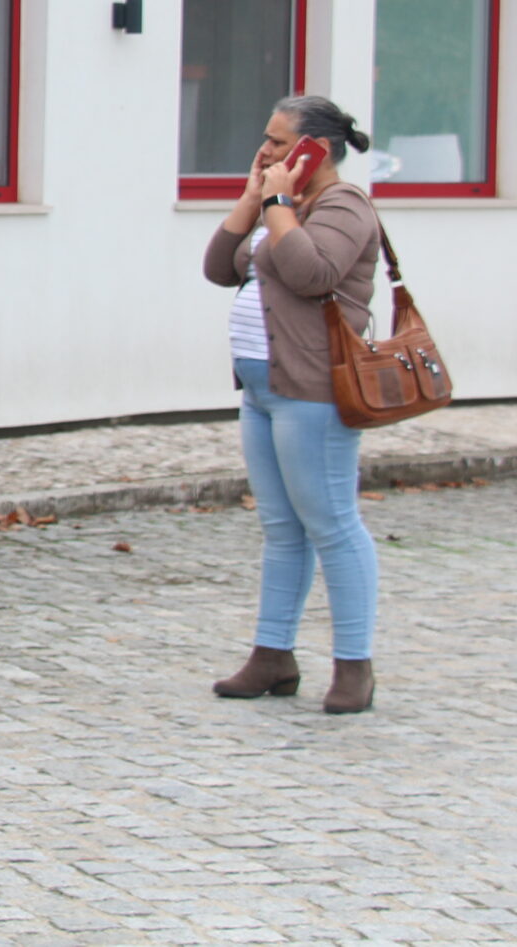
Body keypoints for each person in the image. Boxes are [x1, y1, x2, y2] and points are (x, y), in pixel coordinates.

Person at [203, 95, 385, 714]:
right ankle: (272, 655)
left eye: (279, 142)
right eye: (267, 138)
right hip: (261, 390)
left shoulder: (343, 205)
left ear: (317, 150)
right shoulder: (284, 204)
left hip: (311, 390)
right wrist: (254, 199)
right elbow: (218, 268)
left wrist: (277, 205)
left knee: (332, 522)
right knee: (282, 528)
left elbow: (312, 274)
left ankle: (354, 666)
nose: (265, 151)